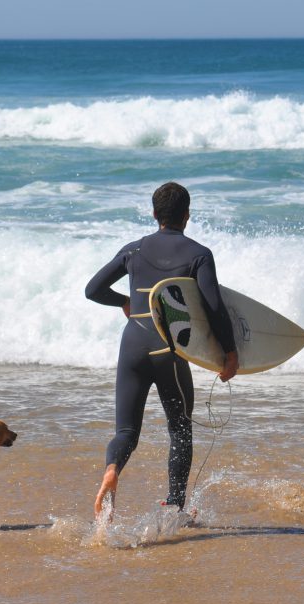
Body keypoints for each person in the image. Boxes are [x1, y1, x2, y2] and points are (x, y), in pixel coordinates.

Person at [85, 182, 238, 518]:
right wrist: (229, 352)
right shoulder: (198, 254)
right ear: (187, 215)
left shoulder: (134, 250)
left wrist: (124, 301)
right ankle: (174, 506)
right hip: (168, 350)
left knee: (126, 432)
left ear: (154, 215)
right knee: (180, 428)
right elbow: (214, 307)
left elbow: (93, 289)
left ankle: (111, 470)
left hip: (133, 344)